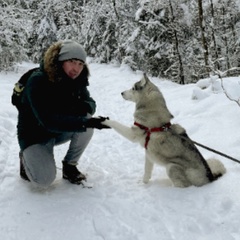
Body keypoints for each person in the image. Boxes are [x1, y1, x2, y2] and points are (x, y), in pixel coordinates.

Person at [17, 40, 109, 189]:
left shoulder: (76, 80)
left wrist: (84, 110)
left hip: (57, 131)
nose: (77, 68)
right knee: (43, 181)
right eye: (72, 61)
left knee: (86, 121)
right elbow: (47, 120)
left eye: (80, 64)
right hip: (35, 136)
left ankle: (69, 166)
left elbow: (90, 103)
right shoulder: (38, 81)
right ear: (59, 61)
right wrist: (84, 120)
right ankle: (26, 157)